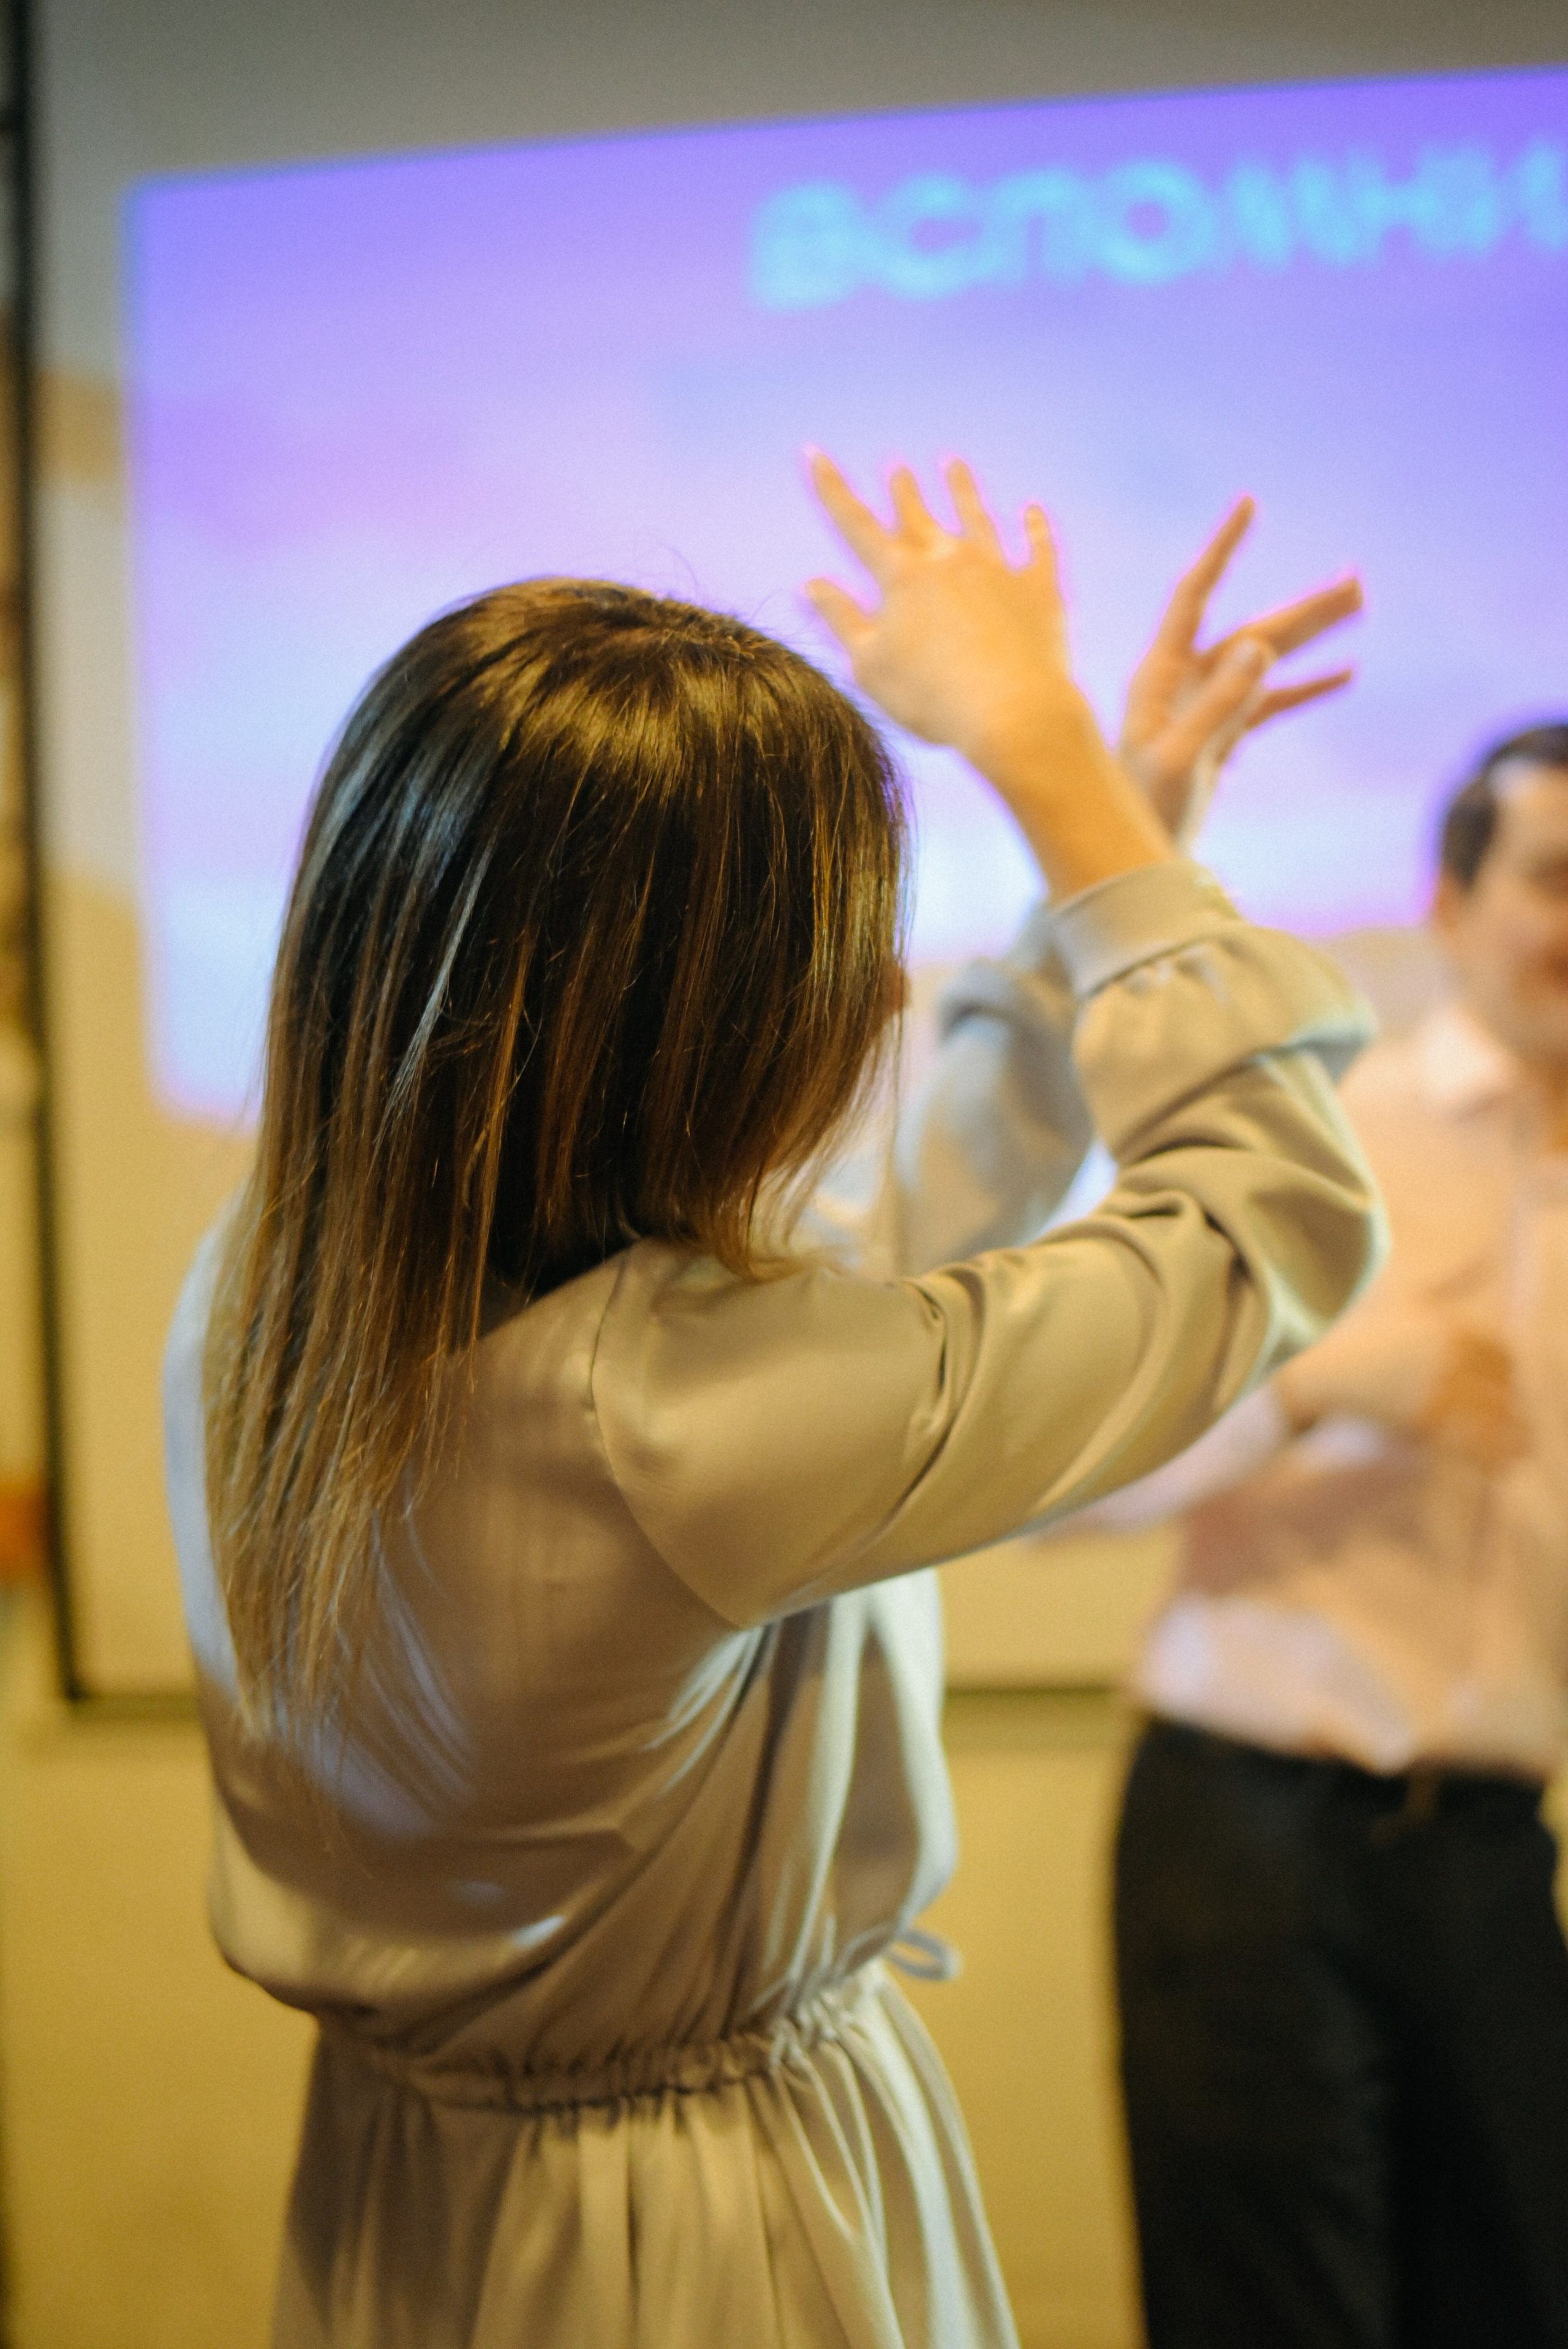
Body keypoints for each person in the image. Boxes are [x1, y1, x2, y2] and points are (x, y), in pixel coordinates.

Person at [162, 453, 1379, 2349]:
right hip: (692, 2249)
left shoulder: (280, 1275)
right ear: (697, 1031)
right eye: (837, 948)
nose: (888, 991)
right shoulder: (666, 1420)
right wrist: (1058, 774)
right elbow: (1264, 1216)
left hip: (424, 2193)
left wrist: (1110, 864)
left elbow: (854, 1297)